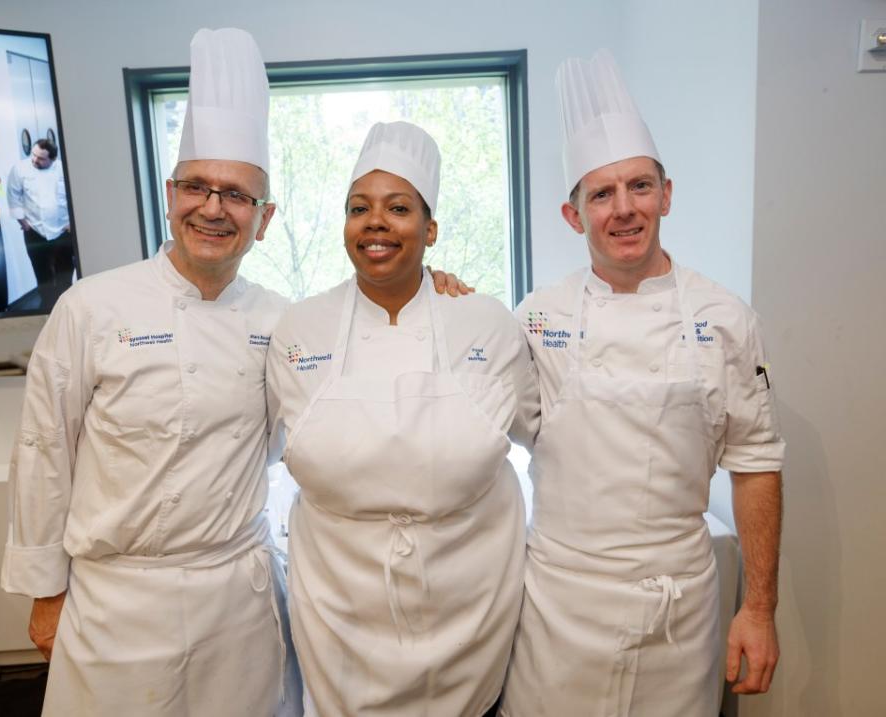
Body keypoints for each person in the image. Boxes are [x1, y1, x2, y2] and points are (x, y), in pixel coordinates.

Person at [0, 29, 303, 716]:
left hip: (239, 599)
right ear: (171, 194)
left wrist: (436, 288)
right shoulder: (91, 307)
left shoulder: (284, 320)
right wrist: (48, 593)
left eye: (236, 194)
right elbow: (45, 449)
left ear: (265, 217)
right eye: (197, 186)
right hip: (116, 602)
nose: (213, 207)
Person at [500, 50, 785, 716]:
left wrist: (760, 607)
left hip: (677, 611)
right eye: (601, 193)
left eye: (639, 186)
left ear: (667, 193)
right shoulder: (535, 320)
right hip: (561, 608)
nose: (624, 209)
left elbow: (757, 462)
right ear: (574, 215)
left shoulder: (725, 318)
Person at [266, 121, 540, 716]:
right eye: (358, 207)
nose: (375, 222)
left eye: (398, 207)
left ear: (431, 228)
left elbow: (540, 433)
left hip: (469, 603)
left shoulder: (485, 324)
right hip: (341, 610)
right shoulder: (301, 329)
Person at [6, 138, 74, 306]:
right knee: (42, 274)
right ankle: (48, 308)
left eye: (41, 158)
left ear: (52, 159)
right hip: (35, 231)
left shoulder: (64, 169)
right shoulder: (20, 169)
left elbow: (76, 195)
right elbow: (13, 195)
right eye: (33, 155)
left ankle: (66, 308)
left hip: (63, 230)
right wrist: (22, 221)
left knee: (64, 273)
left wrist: (73, 222)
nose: (35, 160)